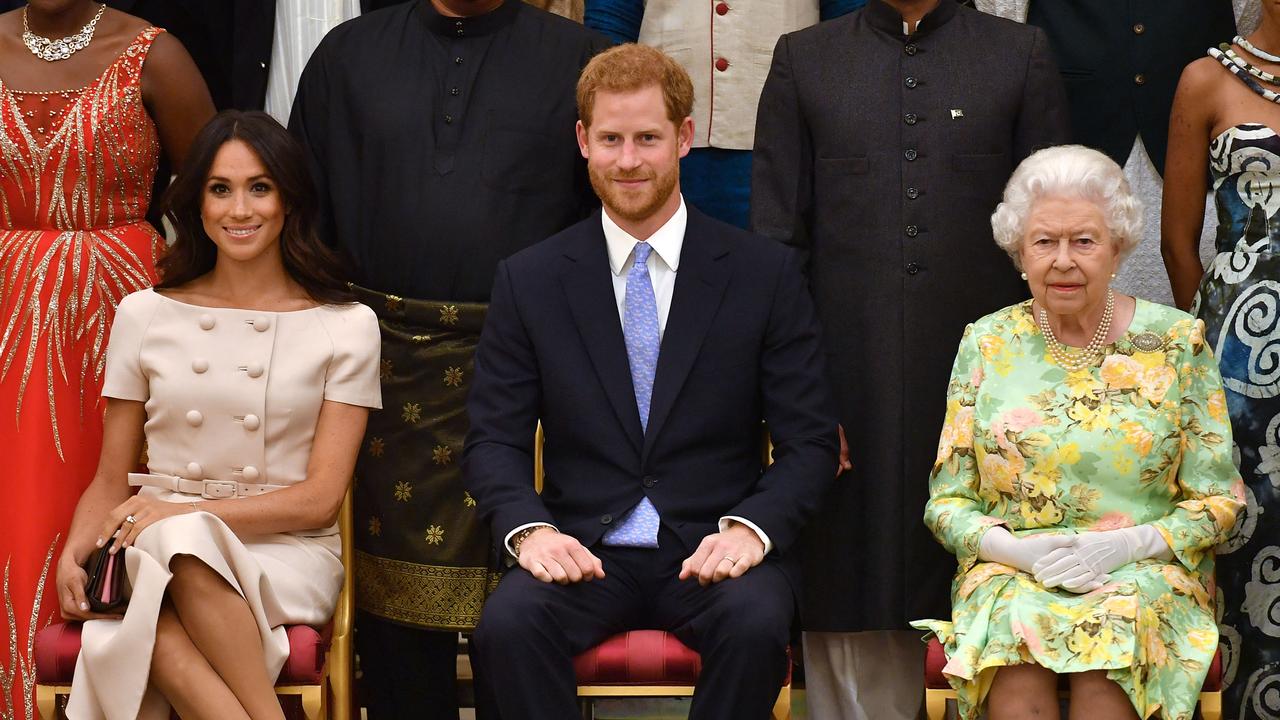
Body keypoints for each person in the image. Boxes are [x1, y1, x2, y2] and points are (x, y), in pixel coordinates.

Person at [462, 42, 839, 720]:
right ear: (583, 141)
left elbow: (810, 442)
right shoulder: (530, 279)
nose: (629, 160)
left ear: (684, 138)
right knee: (507, 627)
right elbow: (493, 440)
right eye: (611, 139)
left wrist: (750, 530)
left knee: (756, 626)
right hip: (581, 547)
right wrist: (531, 531)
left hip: (714, 548)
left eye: (647, 138)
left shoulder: (763, 275)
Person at [749, 0, 1070, 716]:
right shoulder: (806, 59)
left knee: (996, 592)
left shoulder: (1019, 54)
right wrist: (800, 407)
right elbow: (776, 249)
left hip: (991, 397)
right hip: (843, 387)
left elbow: (1054, 241)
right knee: (850, 588)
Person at [288, 1, 608, 715]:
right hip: (384, 372)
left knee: (526, 612)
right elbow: (304, 218)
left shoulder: (583, 58)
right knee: (397, 633)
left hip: (535, 377)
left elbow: (612, 216)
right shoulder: (348, 56)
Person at [54, 110, 381, 720]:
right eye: (220, 189)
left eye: (260, 187)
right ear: (196, 203)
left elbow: (318, 500)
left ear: (290, 200)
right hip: (151, 540)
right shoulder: (143, 313)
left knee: (162, 571)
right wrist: (75, 551)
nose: (240, 210)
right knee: (148, 602)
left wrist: (181, 514)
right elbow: (110, 476)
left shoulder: (347, 325)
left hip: (285, 549)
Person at [914, 144, 1243, 720]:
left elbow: (1219, 502)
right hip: (1014, 573)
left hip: (1142, 575)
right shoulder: (987, 342)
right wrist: (1014, 550)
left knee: (1109, 652)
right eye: (1044, 242)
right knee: (1015, 651)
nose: (1063, 260)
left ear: (1117, 249)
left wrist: (1125, 545)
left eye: (1084, 241)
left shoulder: (1176, 342)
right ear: (1019, 251)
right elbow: (947, 504)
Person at [0, 3, 213, 718]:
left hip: (123, 315)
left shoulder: (156, 55)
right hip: (5, 314)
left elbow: (217, 188)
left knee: (105, 485)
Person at [1162, 5, 1280, 715]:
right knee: (1245, 529)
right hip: (1238, 359)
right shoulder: (1204, 79)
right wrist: (1203, 353)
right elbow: (1179, 242)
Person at [583, 0, 864, 229]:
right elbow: (610, 23)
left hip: (793, 132)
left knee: (772, 273)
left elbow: (851, 24)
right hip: (658, 136)